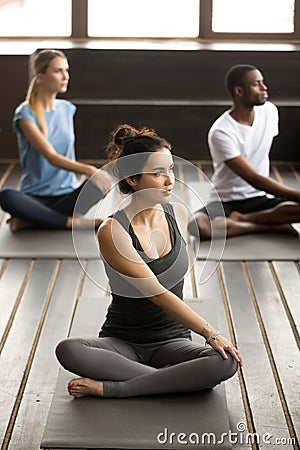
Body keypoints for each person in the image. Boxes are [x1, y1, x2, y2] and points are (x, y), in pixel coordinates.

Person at [56, 124, 242, 399]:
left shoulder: (177, 214)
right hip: (122, 343)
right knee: (68, 349)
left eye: (170, 170)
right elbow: (156, 293)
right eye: (158, 173)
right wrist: (211, 333)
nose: (170, 180)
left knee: (226, 362)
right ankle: (176, 381)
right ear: (132, 179)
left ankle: (119, 388)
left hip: (173, 342)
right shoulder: (113, 230)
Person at [0, 49, 112, 232]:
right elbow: (50, 156)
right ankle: (72, 222)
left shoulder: (67, 109)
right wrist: (90, 169)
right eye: (58, 71)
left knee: (103, 181)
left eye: (66, 70)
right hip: (35, 196)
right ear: (41, 76)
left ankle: (34, 220)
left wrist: (96, 175)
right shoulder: (24, 114)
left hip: (67, 194)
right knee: (7, 196)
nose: (65, 76)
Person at [188, 64, 300, 240]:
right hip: (226, 200)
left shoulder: (270, 111)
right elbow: (254, 179)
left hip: (259, 198)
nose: (264, 87)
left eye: (262, 82)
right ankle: (267, 226)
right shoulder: (221, 131)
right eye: (256, 84)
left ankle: (243, 220)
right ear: (239, 91)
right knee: (197, 226)